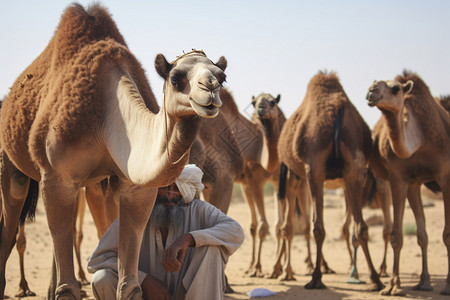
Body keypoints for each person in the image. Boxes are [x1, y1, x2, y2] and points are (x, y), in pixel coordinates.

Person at [87, 164, 245, 300]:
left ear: (185, 192)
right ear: (153, 190)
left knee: (212, 248)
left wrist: (189, 239)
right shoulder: (137, 214)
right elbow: (98, 260)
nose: (170, 195)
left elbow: (235, 231)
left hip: (187, 295)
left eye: (177, 189)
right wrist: (142, 279)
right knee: (102, 279)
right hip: (141, 294)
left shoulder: (198, 210)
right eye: (164, 188)